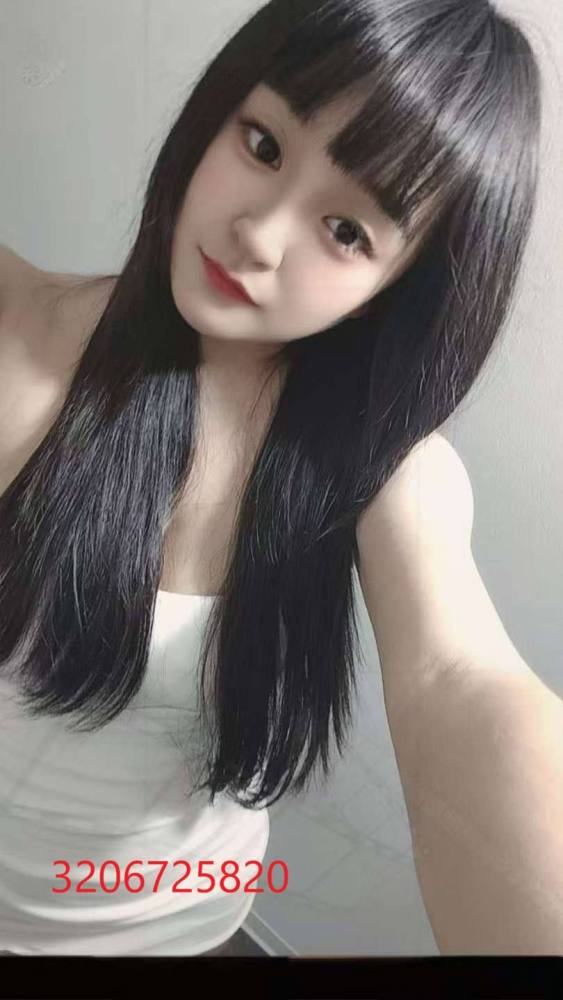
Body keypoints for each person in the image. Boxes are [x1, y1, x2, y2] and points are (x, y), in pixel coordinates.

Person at [0, 0, 554, 958]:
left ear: (397, 285)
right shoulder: (20, 328)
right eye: (261, 144)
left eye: (345, 230)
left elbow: (460, 681)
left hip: (163, 934)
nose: (258, 234)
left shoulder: (384, 475)